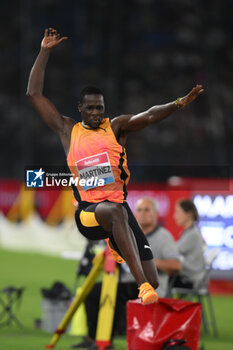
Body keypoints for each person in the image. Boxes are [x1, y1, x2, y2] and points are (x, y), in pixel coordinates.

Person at [26, 28, 204, 306]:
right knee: (121, 224)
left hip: (118, 209)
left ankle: (138, 271)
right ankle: (142, 286)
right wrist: (44, 52)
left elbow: (149, 115)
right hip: (88, 213)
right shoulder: (67, 129)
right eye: (90, 109)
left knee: (154, 276)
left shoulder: (116, 127)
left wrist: (178, 104)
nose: (96, 113)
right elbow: (34, 94)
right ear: (80, 108)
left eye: (100, 108)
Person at [71, 197, 181, 349]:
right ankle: (94, 337)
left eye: (147, 210)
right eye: (140, 210)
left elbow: (175, 265)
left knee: (116, 295)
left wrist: (144, 261)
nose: (142, 214)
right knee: (94, 291)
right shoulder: (124, 232)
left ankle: (108, 339)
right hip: (124, 282)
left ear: (156, 214)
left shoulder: (164, 236)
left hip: (150, 285)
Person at [172, 198, 206, 289]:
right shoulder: (190, 232)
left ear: (189, 214)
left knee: (159, 277)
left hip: (189, 279)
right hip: (188, 276)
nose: (175, 216)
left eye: (178, 212)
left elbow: (172, 252)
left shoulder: (193, 234)